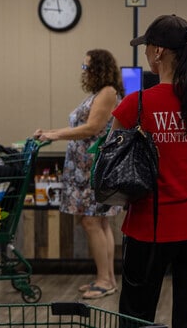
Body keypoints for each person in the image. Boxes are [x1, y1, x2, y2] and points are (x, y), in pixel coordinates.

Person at [114, 14, 187, 328]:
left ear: (157, 52)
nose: (144, 53)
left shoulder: (135, 104)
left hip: (149, 228)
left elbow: (110, 163)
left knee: (135, 317)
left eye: (146, 47)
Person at [34, 49, 123, 299]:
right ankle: (107, 278)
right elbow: (80, 126)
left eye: (87, 67)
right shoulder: (98, 93)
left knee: (92, 221)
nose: (84, 72)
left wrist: (55, 135)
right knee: (98, 221)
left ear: (100, 69)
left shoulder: (107, 92)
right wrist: (49, 131)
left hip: (91, 168)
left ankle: (105, 279)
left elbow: (92, 128)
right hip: (83, 168)